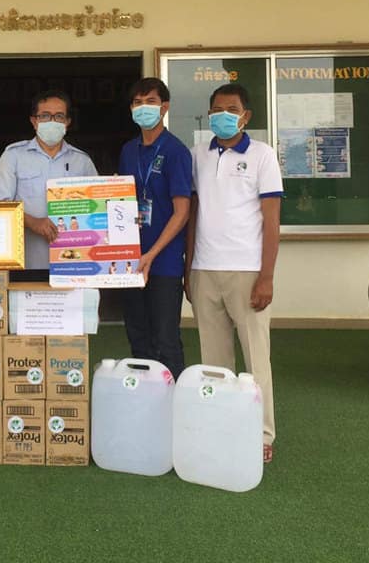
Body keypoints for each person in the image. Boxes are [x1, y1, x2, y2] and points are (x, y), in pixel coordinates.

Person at [185, 82, 283, 464]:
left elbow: (272, 222)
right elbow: (193, 215)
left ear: (246, 116)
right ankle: (221, 429)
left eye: (231, 110)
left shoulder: (262, 156)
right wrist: (187, 268)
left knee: (256, 360)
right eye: (216, 110)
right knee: (214, 362)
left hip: (247, 271)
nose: (222, 116)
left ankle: (261, 434)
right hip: (204, 271)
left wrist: (267, 276)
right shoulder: (197, 155)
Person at [118, 77, 192, 381]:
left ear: (164, 107)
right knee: (138, 335)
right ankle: (145, 401)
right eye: (137, 102)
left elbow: (182, 211)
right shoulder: (128, 150)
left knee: (165, 338)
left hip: (163, 262)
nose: (143, 108)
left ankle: (175, 406)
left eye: (149, 101)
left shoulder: (176, 151)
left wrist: (151, 254)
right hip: (129, 260)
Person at [0, 90, 97, 269]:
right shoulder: (13, 156)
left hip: (74, 262)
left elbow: (98, 207)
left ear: (68, 122)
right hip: (25, 262)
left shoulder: (82, 161)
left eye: (59, 116)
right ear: (34, 121)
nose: (52, 121)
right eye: (45, 116)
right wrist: (32, 222)